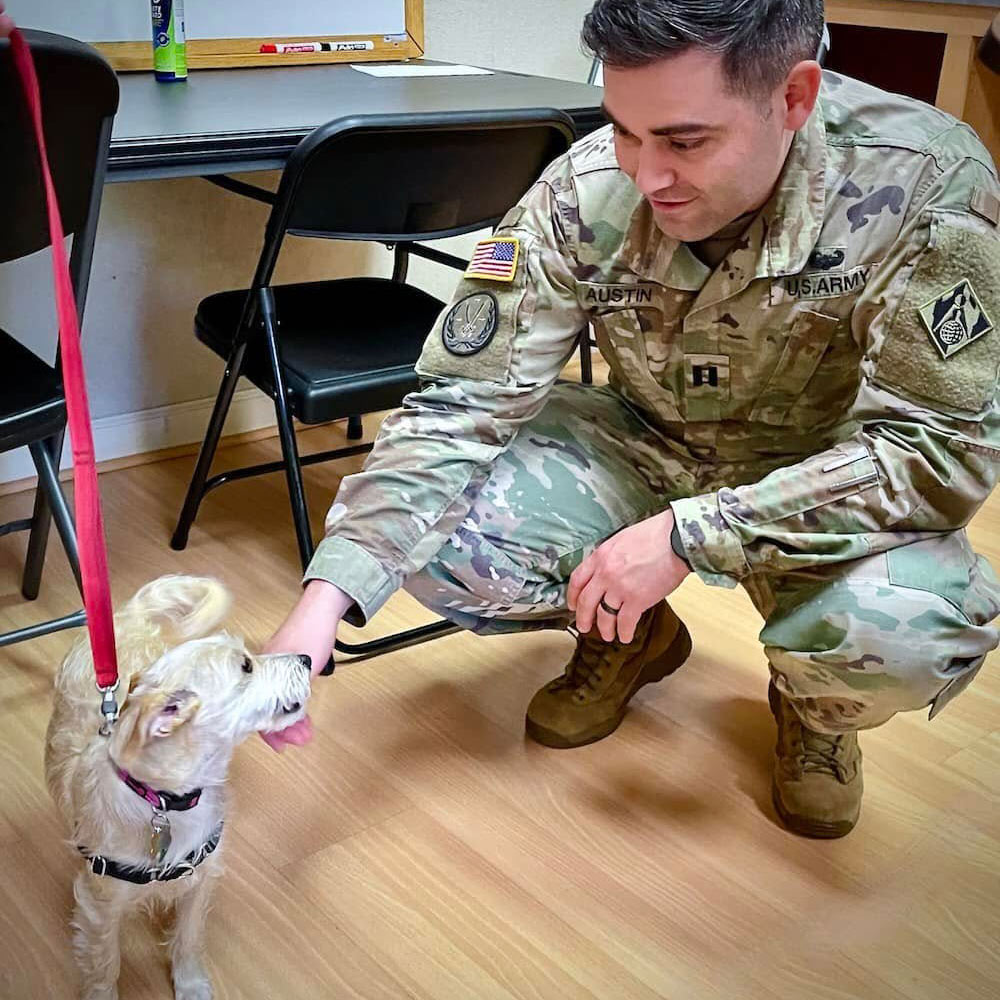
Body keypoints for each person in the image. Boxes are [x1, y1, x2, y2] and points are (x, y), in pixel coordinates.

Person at [263, 0, 1000, 839]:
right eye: (622, 129)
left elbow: (937, 453)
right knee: (437, 538)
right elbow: (459, 405)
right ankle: (630, 633)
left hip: (821, 474)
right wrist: (323, 602)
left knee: (901, 631)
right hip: (651, 440)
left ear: (794, 98)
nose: (647, 176)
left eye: (685, 141)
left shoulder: (928, 181)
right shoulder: (585, 189)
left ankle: (817, 716)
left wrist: (690, 537)